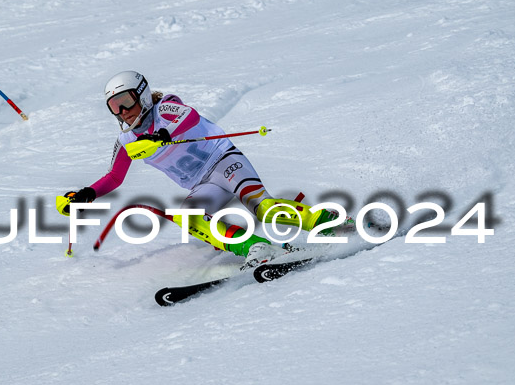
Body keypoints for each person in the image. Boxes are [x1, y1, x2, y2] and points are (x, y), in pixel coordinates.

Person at [59, 70, 337, 265]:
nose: (122, 112)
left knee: (261, 207)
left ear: (142, 96)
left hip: (224, 160)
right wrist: (86, 195)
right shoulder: (126, 140)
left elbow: (188, 116)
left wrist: (160, 137)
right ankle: (254, 247)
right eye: (114, 107)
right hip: (203, 184)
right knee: (189, 218)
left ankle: (323, 220)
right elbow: (114, 177)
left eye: (126, 102)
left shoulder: (165, 107)